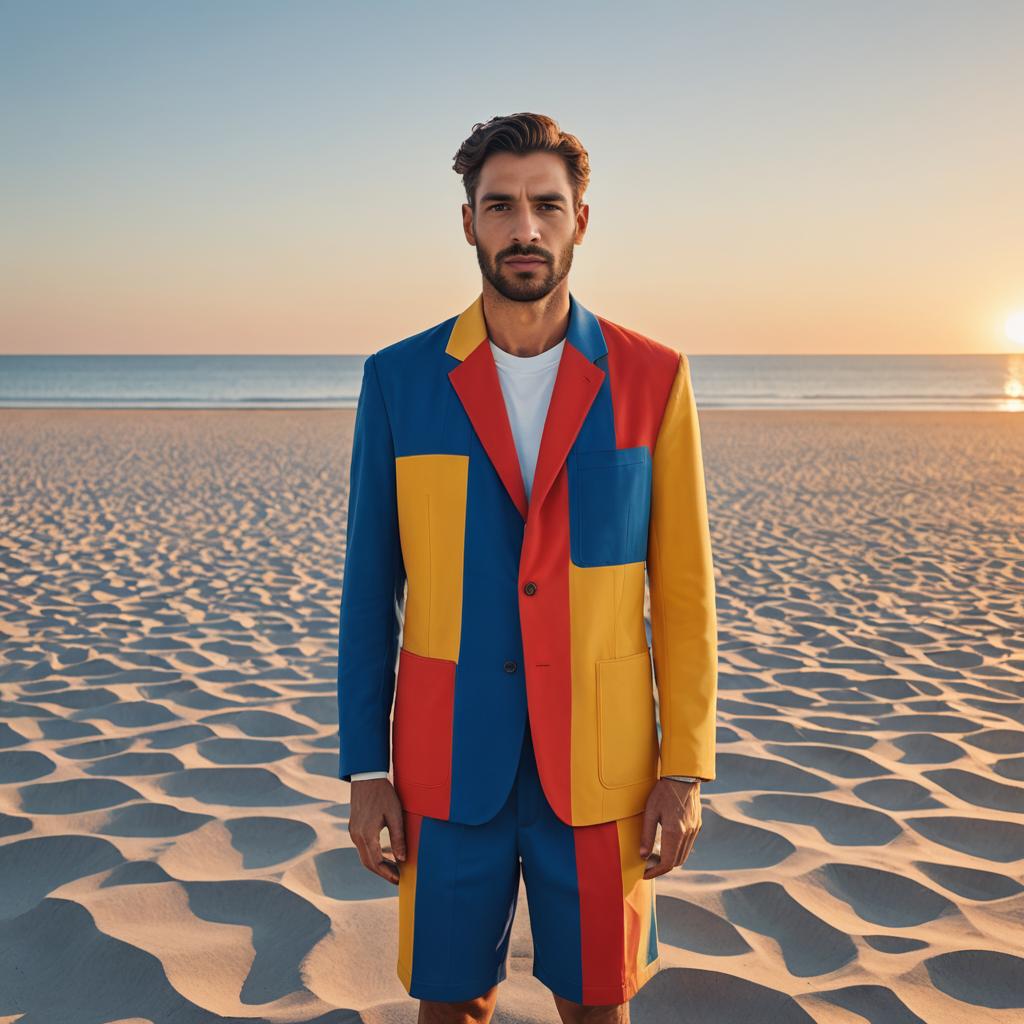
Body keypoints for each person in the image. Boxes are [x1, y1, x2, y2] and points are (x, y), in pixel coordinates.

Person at [337, 111, 718, 1024]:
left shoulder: (652, 376)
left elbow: (684, 588)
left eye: (547, 205)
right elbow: (367, 590)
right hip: (445, 758)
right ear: (467, 221)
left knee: (597, 1003)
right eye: (500, 206)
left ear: (581, 219)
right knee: (451, 1004)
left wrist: (686, 765)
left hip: (604, 762)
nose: (525, 229)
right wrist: (364, 768)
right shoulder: (399, 379)